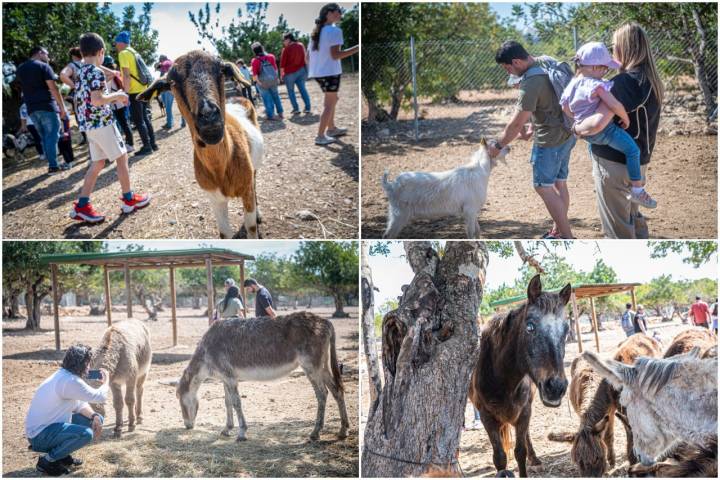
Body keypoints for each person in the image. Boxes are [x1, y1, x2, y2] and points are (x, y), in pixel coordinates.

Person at [574, 23, 663, 239]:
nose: (611, 52)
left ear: (625, 47)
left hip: (614, 165)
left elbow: (596, 124)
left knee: (618, 231)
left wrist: (576, 128)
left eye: (613, 46)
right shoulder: (651, 80)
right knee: (635, 220)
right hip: (637, 166)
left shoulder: (623, 82)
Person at [488, 41, 576, 239]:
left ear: (516, 61)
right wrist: (532, 127)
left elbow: (516, 124)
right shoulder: (546, 62)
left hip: (549, 141)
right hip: (567, 133)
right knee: (559, 184)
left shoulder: (531, 81)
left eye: (507, 67)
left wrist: (498, 145)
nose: (508, 72)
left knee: (542, 186)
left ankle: (567, 237)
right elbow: (548, 104)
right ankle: (558, 231)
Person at [561, 42, 656, 210]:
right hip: (606, 131)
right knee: (633, 150)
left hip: (588, 134)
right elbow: (614, 105)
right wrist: (625, 118)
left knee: (593, 146)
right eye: (605, 68)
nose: (606, 72)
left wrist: (579, 120)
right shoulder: (597, 86)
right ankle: (637, 188)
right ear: (596, 67)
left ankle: (597, 171)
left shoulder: (572, 84)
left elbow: (565, 108)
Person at [69, 32, 150, 223]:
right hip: (102, 123)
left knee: (97, 163)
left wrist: (109, 73)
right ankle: (129, 200)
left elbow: (88, 95)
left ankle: (82, 205)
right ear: (101, 52)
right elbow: (97, 100)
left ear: (81, 52)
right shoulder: (95, 72)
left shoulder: (81, 72)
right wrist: (118, 95)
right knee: (122, 158)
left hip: (89, 126)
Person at [25, 345, 109, 476]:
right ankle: (47, 461)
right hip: (39, 436)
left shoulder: (65, 376)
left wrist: (94, 416)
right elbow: (100, 397)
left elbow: (79, 405)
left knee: (96, 418)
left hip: (47, 429)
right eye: (87, 363)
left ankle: (61, 455)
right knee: (85, 433)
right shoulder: (70, 381)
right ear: (80, 364)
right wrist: (106, 382)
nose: (88, 367)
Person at [307, 3, 358, 146]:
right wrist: (356, 48)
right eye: (338, 12)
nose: (341, 14)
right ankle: (320, 136)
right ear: (328, 13)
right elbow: (335, 55)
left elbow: (307, 57)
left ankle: (332, 128)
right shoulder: (335, 31)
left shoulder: (315, 33)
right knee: (329, 104)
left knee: (332, 100)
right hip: (331, 73)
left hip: (318, 73)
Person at [16, 46, 70, 174]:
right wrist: (62, 107)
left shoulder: (20, 69)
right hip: (47, 106)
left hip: (31, 108)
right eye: (47, 54)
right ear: (40, 53)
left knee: (45, 137)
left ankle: (52, 163)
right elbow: (53, 88)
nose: (48, 57)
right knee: (52, 135)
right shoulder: (43, 66)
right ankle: (53, 166)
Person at [115, 31, 158, 156]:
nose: (116, 47)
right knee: (145, 117)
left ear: (120, 43)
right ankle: (153, 144)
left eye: (116, 44)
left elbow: (127, 75)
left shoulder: (123, 54)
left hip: (134, 91)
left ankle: (146, 146)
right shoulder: (134, 52)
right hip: (144, 88)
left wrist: (126, 93)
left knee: (138, 120)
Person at [103, 55, 134, 153]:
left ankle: (129, 144)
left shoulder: (108, 78)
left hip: (116, 104)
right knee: (125, 123)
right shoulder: (117, 74)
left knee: (123, 124)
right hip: (121, 102)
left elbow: (106, 92)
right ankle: (129, 143)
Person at [59, 47, 88, 146]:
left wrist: (75, 86)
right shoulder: (88, 62)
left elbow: (63, 75)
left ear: (73, 56)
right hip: (92, 93)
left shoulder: (72, 65)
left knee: (80, 118)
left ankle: (86, 138)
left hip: (80, 96)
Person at [250, 42, 284, 121]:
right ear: (262, 48)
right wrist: (277, 78)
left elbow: (255, 75)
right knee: (276, 96)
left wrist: (258, 83)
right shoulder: (271, 56)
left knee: (267, 99)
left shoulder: (255, 61)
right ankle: (281, 113)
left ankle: (271, 115)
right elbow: (275, 69)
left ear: (254, 51)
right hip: (273, 80)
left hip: (262, 82)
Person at [280, 32, 311, 114]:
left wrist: (281, 75)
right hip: (301, 71)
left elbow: (282, 65)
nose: (283, 42)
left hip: (290, 73)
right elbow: (306, 59)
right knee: (303, 89)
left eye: (284, 40)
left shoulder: (286, 49)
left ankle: (296, 109)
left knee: (291, 91)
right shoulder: (301, 45)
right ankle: (308, 107)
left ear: (288, 39)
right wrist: (307, 70)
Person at [155, 54, 176, 129]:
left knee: (167, 107)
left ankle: (169, 124)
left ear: (161, 60)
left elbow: (164, 77)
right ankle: (182, 122)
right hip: (175, 87)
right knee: (179, 104)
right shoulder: (171, 62)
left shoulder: (164, 64)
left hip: (168, 88)